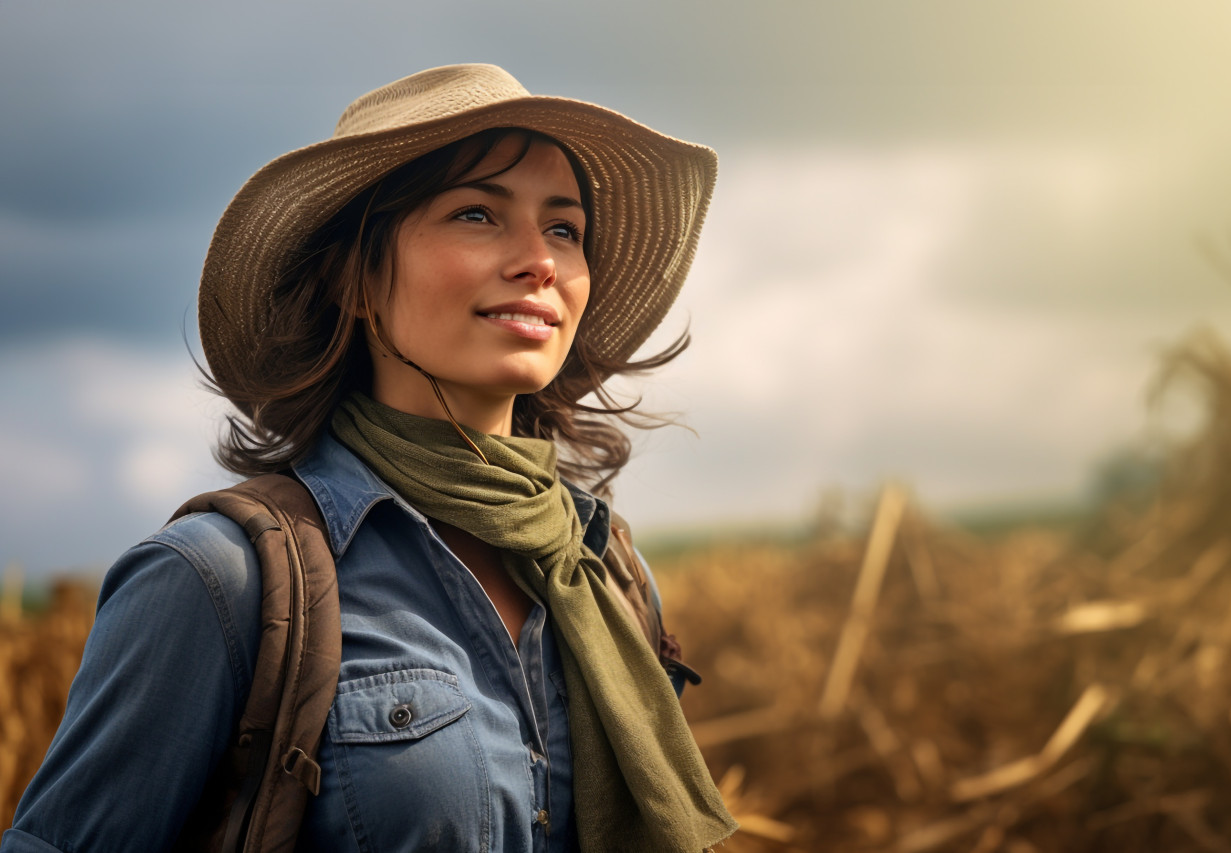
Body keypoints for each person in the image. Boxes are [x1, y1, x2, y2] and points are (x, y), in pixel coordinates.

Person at [1, 64, 736, 852]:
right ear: (357, 276)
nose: (540, 261)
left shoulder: (605, 572)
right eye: (479, 213)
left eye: (564, 229)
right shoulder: (222, 582)